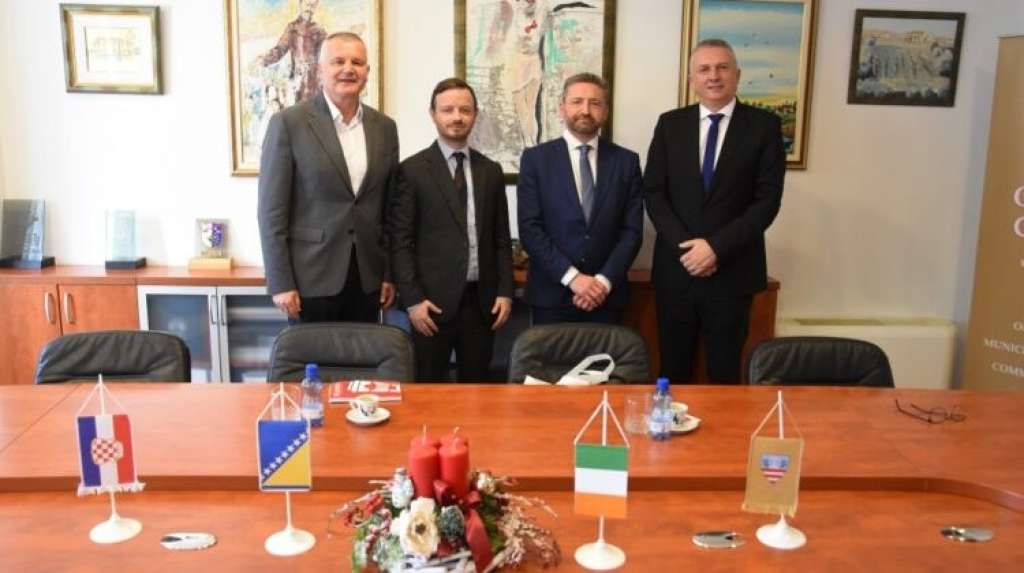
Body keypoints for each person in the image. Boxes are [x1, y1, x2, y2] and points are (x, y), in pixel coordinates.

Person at [643, 38, 785, 383]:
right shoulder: (670, 125)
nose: (713, 76)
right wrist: (689, 250)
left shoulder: (764, 126)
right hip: (677, 272)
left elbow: (767, 201)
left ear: (737, 75)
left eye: (722, 67)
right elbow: (654, 193)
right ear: (691, 78)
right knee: (673, 371)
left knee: (725, 374)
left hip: (733, 273)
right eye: (704, 69)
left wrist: (716, 248)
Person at [258, 32, 398, 323]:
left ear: (367, 72)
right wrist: (280, 282)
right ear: (320, 70)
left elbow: (389, 208)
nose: (349, 69)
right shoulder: (289, 124)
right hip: (310, 279)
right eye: (338, 61)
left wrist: (388, 273)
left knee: (363, 352)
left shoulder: (385, 128)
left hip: (367, 279)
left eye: (357, 62)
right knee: (313, 353)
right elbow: (271, 212)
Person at [389, 78, 514, 381]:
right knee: (429, 391)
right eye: (448, 110)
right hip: (430, 306)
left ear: (475, 115)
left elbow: (500, 239)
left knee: (478, 392)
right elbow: (400, 242)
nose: (457, 117)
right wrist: (413, 300)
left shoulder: (491, 171)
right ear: (433, 114)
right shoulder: (412, 170)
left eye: (465, 110)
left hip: (482, 304)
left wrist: (506, 292)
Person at [517, 73, 643, 324]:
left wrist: (602, 282)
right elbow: (530, 228)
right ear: (561, 108)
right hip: (551, 296)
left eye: (595, 103)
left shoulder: (626, 162)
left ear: (605, 111)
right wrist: (573, 278)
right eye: (577, 102)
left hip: (606, 297)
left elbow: (632, 231)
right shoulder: (535, 160)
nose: (585, 110)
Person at [255, 0, 326, 106]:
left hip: (315, 81)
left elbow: (327, 54)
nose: (309, 8)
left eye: (312, 5)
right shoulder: (292, 28)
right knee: (297, 110)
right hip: (297, 80)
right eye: (307, 4)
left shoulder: (319, 31)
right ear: (300, 4)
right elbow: (280, 49)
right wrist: (263, 60)